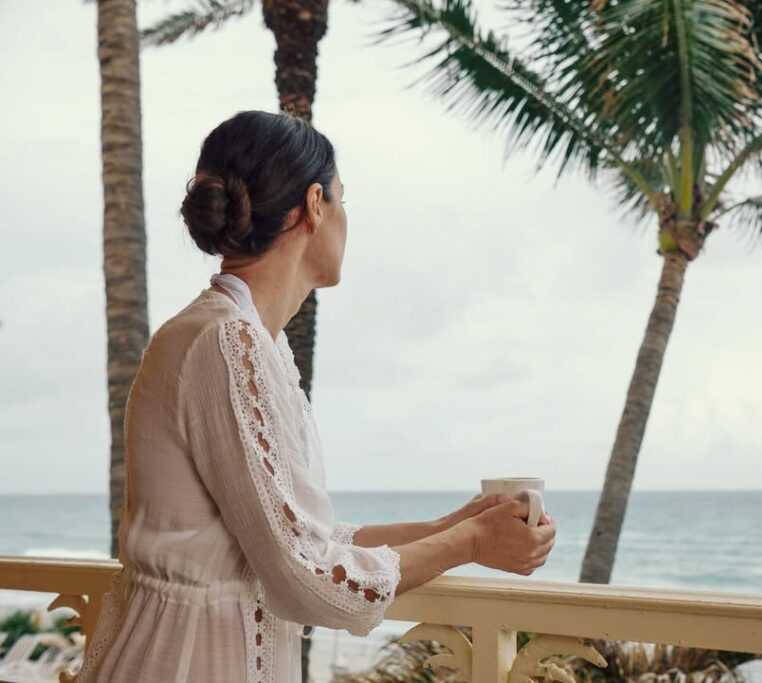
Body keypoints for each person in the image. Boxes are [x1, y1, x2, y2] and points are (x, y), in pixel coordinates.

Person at [75, 109, 557, 682]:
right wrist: (471, 541)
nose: (346, 219)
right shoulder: (226, 343)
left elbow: (295, 537)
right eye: (343, 200)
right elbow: (307, 580)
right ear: (313, 206)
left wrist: (452, 524)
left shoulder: (244, 340)